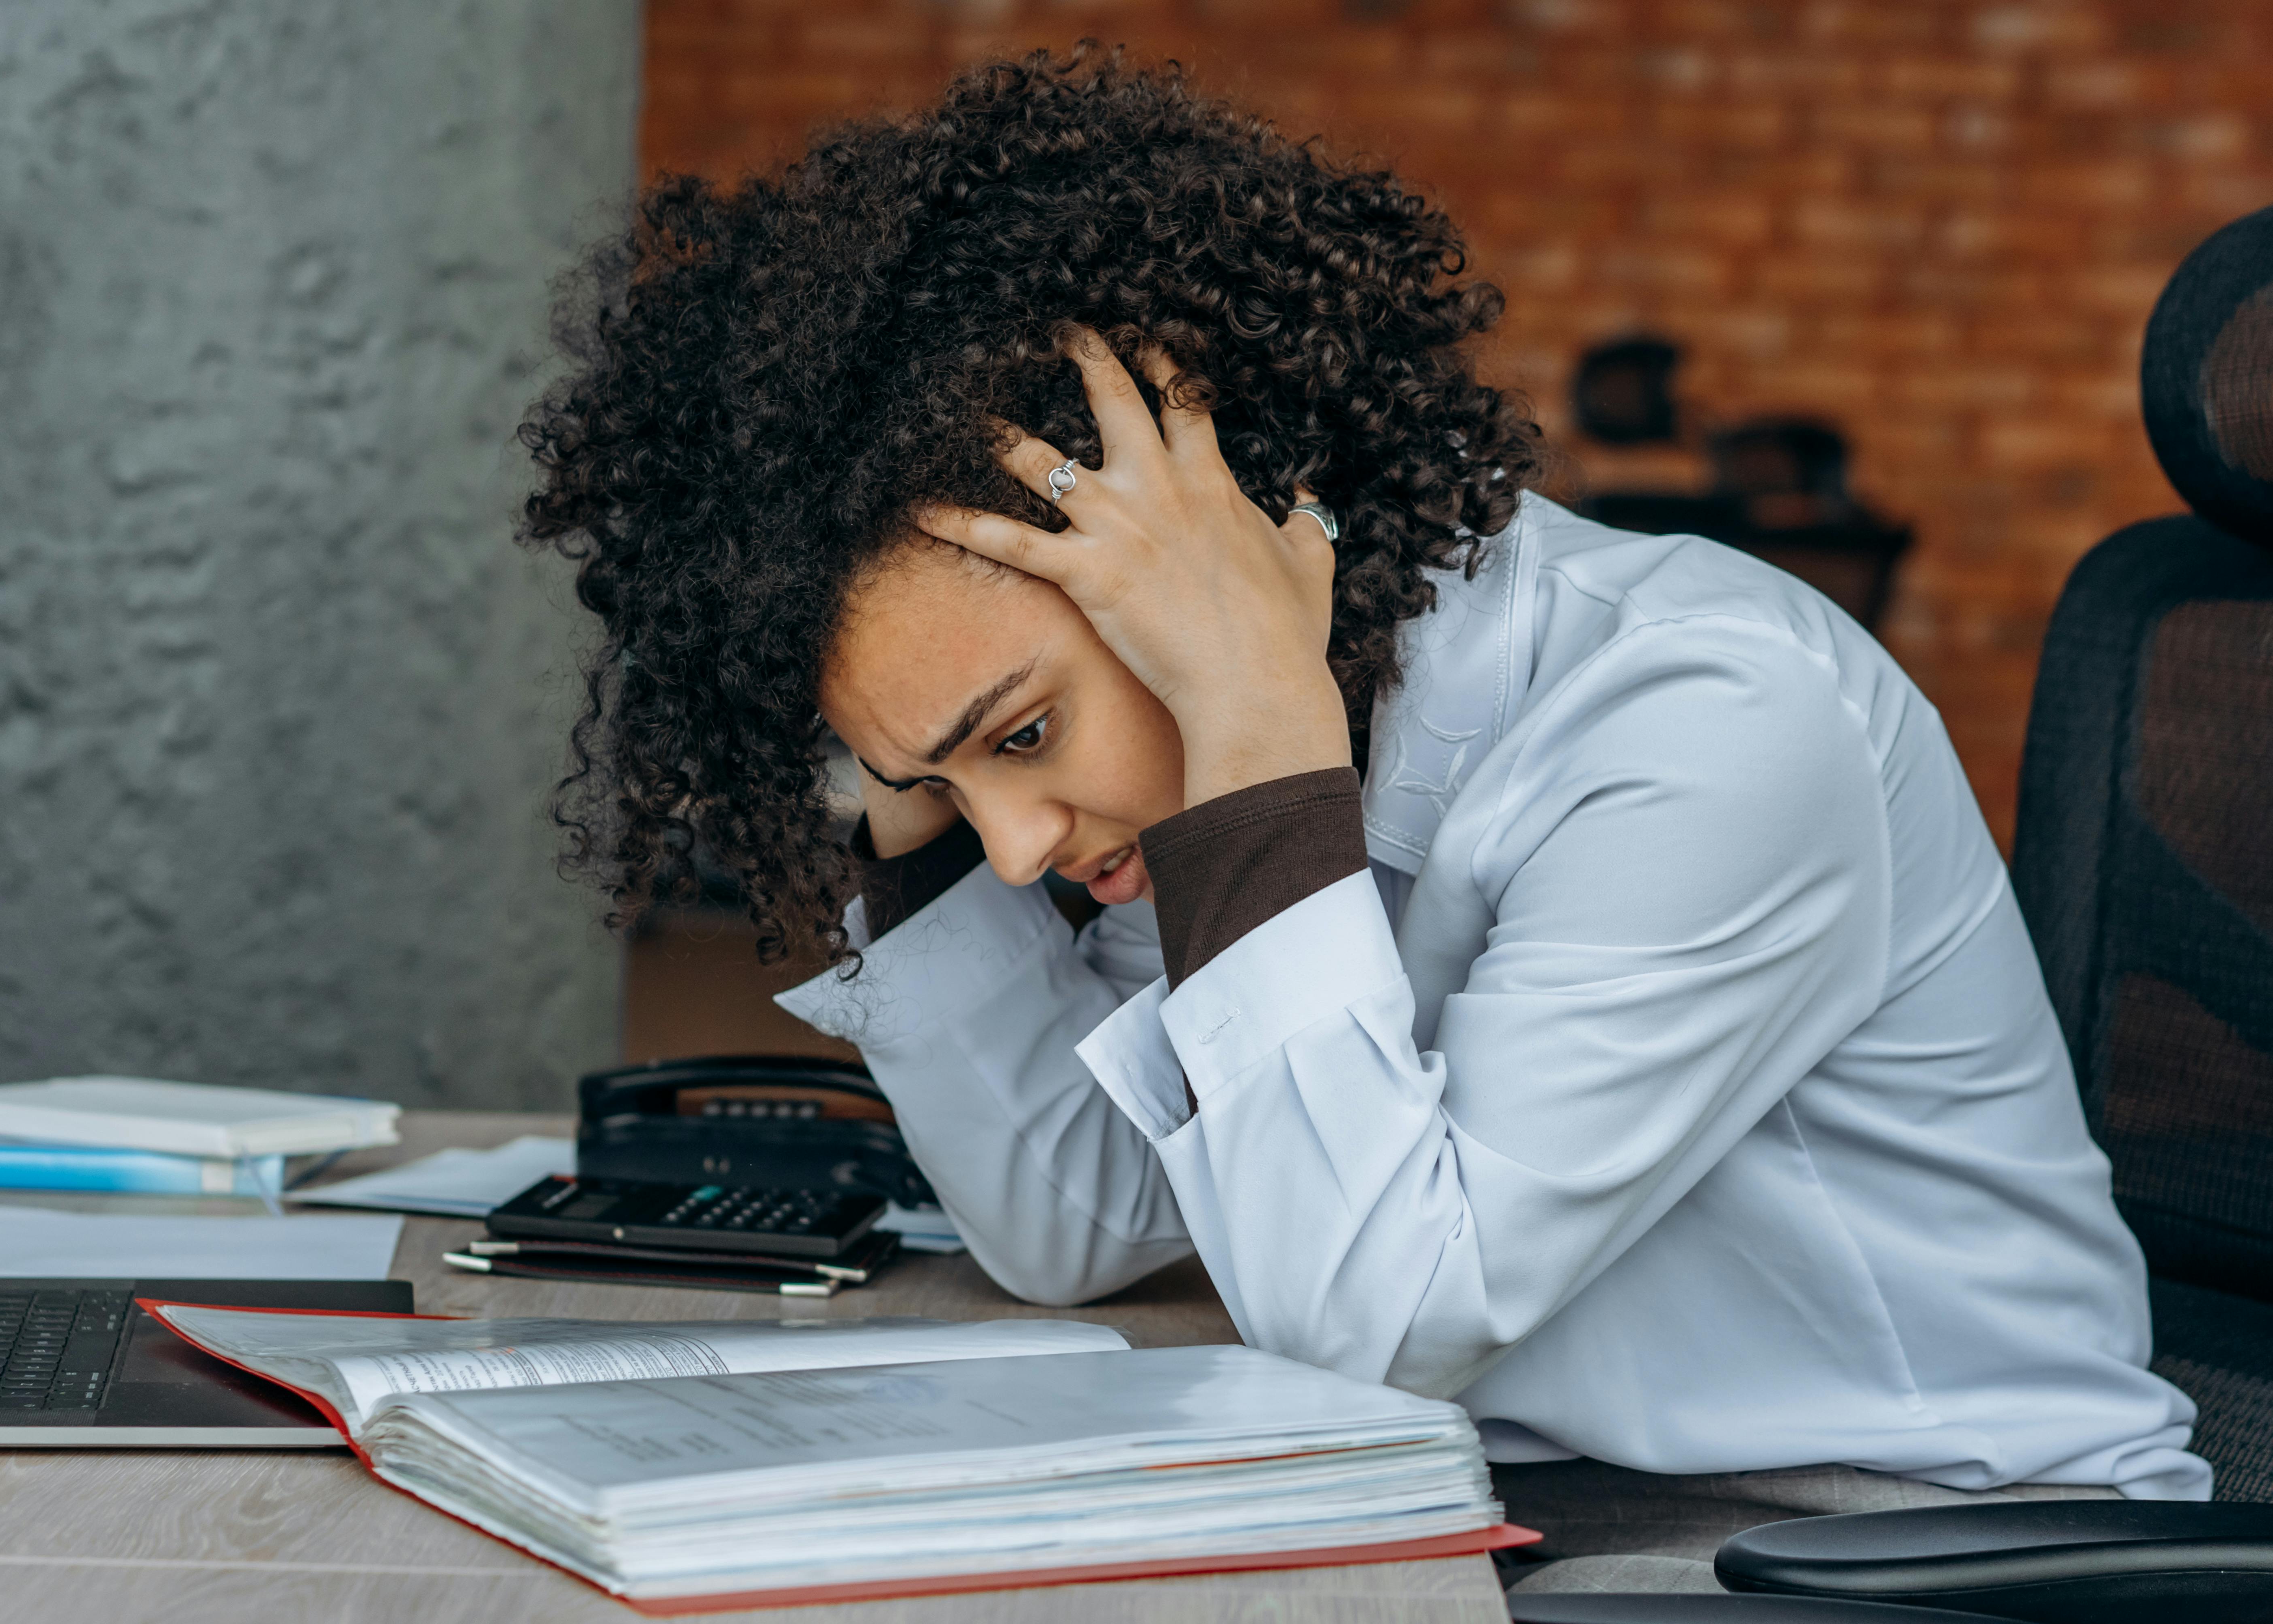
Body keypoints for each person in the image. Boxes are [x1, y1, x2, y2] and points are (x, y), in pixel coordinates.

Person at [516, 49, 2207, 1592]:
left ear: (1219, 525)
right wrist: (897, 789)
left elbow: (1376, 1321)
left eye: (1023, 734)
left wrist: (1251, 723)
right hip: (1512, 1506)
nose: (1017, 843)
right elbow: (1073, 1222)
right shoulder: (1213, 757)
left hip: (1907, 1550)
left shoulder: (1696, 717)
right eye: (939, 777)